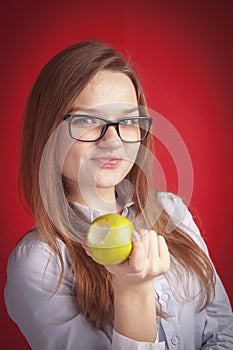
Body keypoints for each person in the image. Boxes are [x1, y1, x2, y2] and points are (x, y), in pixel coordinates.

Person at [4, 40, 233, 350]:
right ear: (48, 133)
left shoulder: (172, 210)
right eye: (87, 120)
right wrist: (132, 289)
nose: (113, 141)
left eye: (127, 121)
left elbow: (223, 332)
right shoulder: (39, 263)